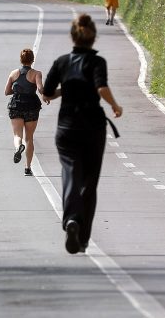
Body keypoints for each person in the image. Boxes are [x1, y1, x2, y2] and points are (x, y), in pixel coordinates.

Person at [43, 14, 122, 254]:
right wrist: (115, 106)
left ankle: (71, 220)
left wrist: (63, 90)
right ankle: (84, 238)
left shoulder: (61, 62)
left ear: (73, 36)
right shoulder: (97, 63)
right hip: (92, 127)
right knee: (89, 182)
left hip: (67, 127)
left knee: (70, 175)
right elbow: (101, 87)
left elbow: (47, 92)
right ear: (93, 37)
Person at [4, 48, 47, 176]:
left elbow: (6, 91)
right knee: (29, 138)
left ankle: (18, 147)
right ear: (32, 60)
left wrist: (17, 91)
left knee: (17, 135)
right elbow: (40, 88)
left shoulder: (13, 73)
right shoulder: (36, 74)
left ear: (21, 59)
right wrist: (45, 96)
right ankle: (27, 168)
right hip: (31, 106)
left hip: (16, 105)